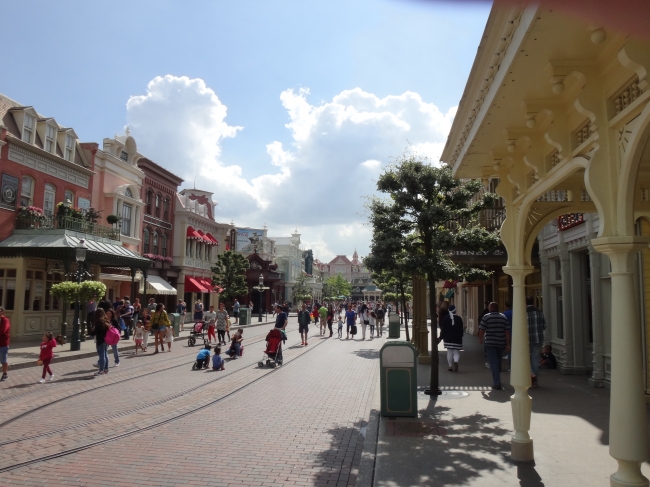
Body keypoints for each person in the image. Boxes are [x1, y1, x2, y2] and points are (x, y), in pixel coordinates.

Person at [479, 302, 511, 390]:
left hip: (490, 342)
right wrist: (508, 343)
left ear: (490, 308)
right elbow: (507, 332)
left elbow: (482, 329)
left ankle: (497, 382)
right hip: (500, 342)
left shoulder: (486, 317)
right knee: (498, 360)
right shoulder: (503, 317)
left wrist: (480, 338)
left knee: (493, 362)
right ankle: (497, 377)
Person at [527, 296, 547, 388]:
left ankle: (530, 375)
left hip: (526, 339)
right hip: (538, 338)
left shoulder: (523, 312)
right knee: (535, 359)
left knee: (525, 359)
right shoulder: (539, 312)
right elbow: (544, 326)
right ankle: (535, 380)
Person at [439, 304, 464, 372]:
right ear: (455, 311)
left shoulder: (446, 318)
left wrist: (441, 337)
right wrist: (461, 336)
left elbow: (443, 329)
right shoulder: (459, 318)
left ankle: (450, 366)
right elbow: (461, 329)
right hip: (457, 338)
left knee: (449, 351)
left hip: (448, 338)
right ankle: (456, 361)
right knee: (456, 352)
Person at [92, 308, 110, 376]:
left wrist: (90, 333)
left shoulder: (99, 321)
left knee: (102, 355)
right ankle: (106, 368)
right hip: (106, 340)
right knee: (105, 354)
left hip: (100, 340)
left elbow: (96, 331)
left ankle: (101, 370)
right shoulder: (106, 320)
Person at [0, 306, 10, 381]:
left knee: (3, 360)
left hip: (3, 343)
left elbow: (3, 330)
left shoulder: (5, 320)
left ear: (3, 312)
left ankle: (5, 374)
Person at [503, 301, 513, 371]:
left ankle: (510, 366)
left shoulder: (504, 314)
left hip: (508, 334)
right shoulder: (516, 312)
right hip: (516, 334)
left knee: (509, 350)